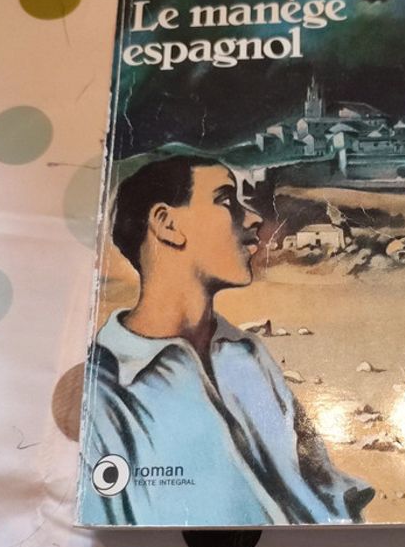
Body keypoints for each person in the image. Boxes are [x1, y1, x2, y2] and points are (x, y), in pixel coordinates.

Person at [77, 154, 374, 527]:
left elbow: (324, 484)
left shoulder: (249, 354)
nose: (252, 219)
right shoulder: (101, 391)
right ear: (167, 224)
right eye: (226, 200)